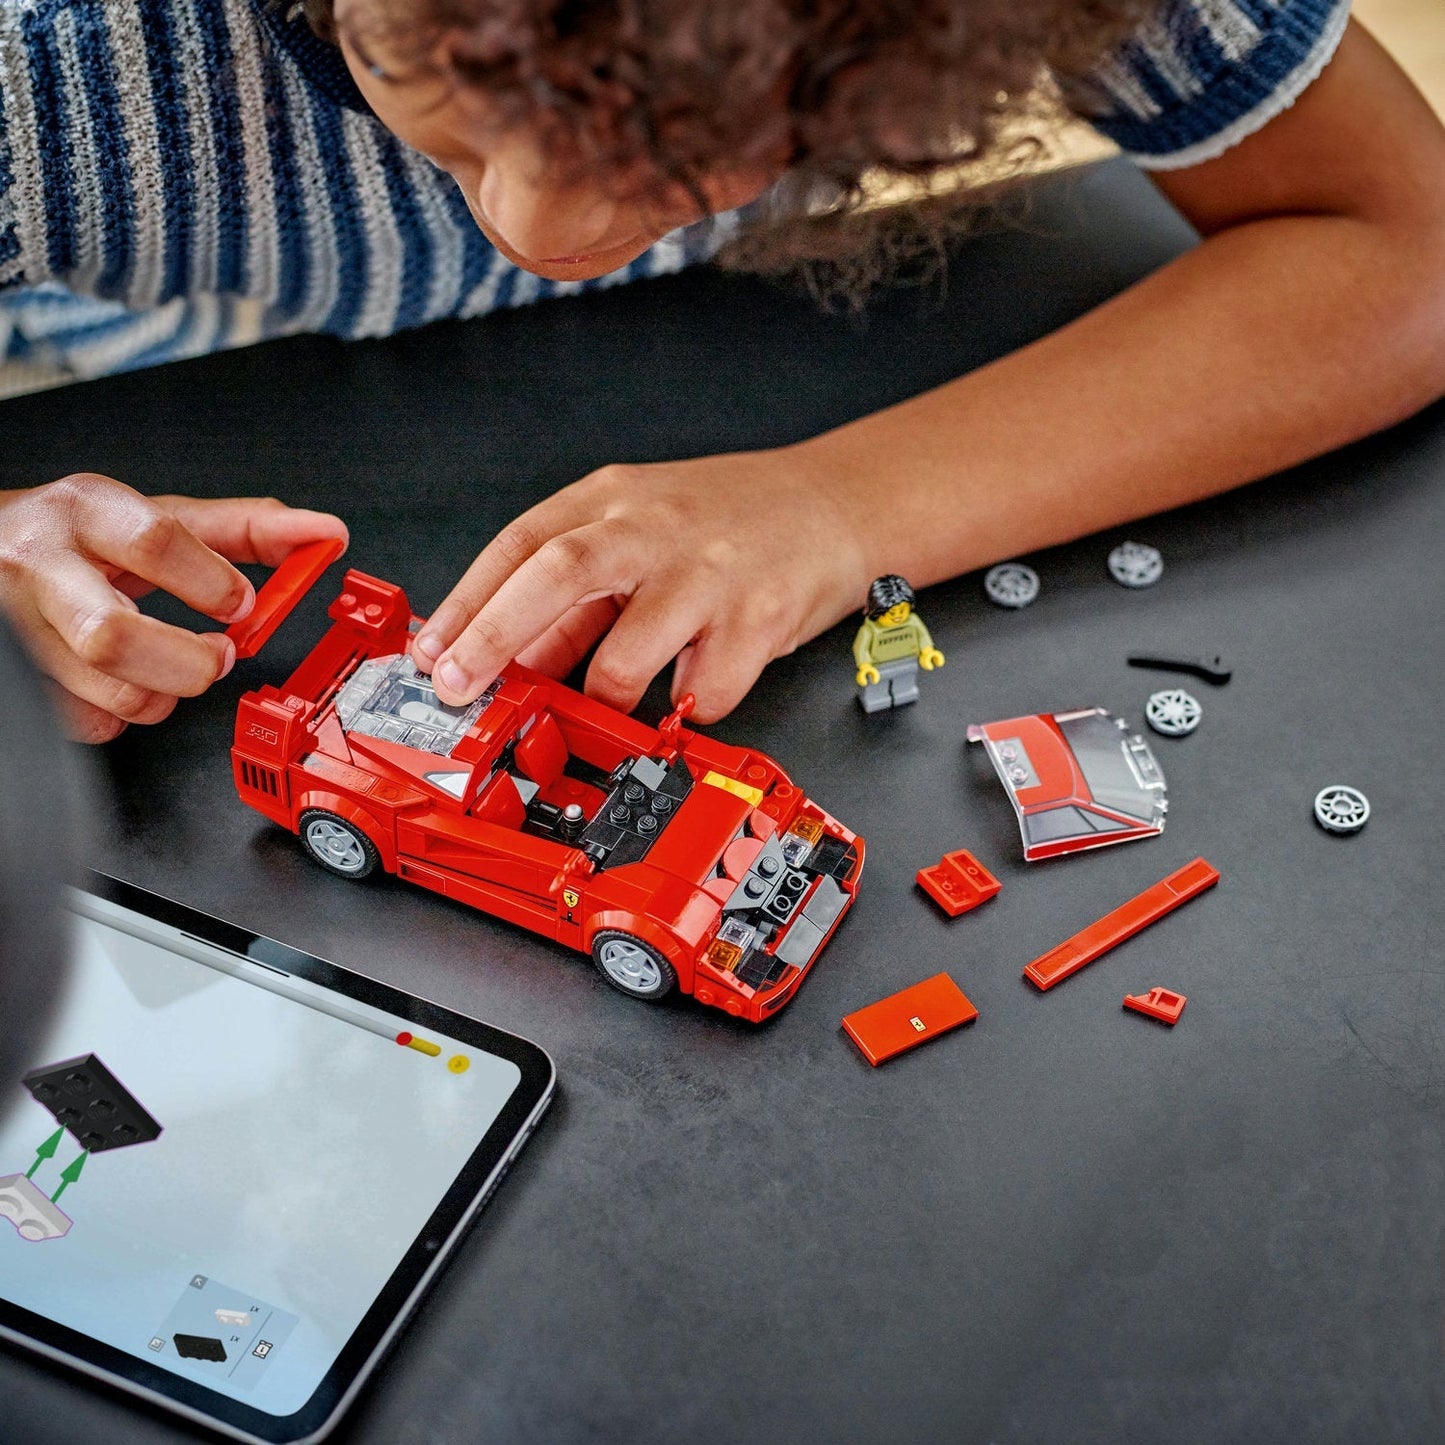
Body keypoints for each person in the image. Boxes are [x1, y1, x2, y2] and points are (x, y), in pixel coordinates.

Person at [1, 0, 1442, 742]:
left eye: (700, 142)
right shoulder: (42, 63)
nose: (535, 229)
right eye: (417, 64)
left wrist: (843, 504)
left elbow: (1406, 249)